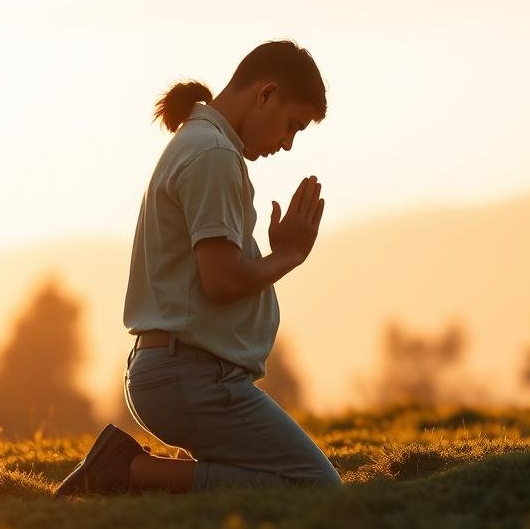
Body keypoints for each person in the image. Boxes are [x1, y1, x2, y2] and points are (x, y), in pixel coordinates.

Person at [53, 40, 341, 496]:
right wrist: (288, 256)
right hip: (191, 377)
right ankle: (125, 472)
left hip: (177, 373)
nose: (287, 144)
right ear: (265, 94)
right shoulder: (214, 155)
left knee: (269, 478)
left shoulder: (202, 142)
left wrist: (272, 255)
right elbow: (222, 281)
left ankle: (130, 470)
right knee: (314, 484)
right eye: (292, 126)